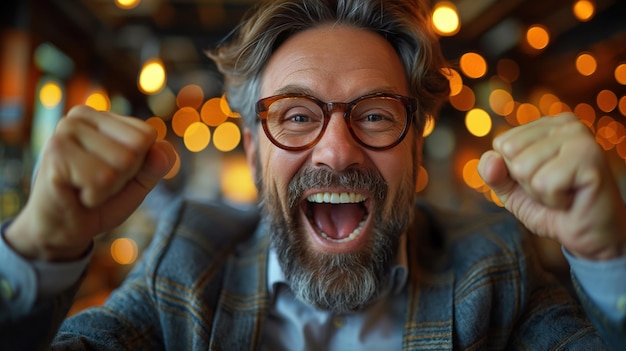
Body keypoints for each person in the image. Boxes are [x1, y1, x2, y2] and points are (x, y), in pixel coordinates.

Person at [1, 0, 625, 349]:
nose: (337, 153)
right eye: (296, 116)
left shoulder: (494, 272)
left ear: (414, 153)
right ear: (251, 153)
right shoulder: (186, 268)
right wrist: (37, 251)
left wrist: (606, 256)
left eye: (377, 116)